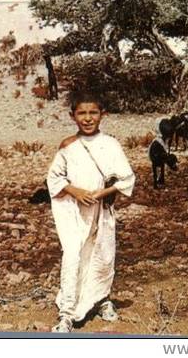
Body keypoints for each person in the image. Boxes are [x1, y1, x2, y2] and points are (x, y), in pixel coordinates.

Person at [46, 90, 135, 333]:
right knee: (73, 254)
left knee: (103, 254)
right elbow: (54, 178)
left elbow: (126, 178)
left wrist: (99, 195)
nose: (87, 118)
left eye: (93, 112)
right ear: (72, 115)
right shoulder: (68, 145)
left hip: (102, 211)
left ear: (102, 114)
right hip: (74, 212)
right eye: (81, 113)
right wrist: (76, 192)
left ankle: (101, 299)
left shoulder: (110, 144)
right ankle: (67, 311)